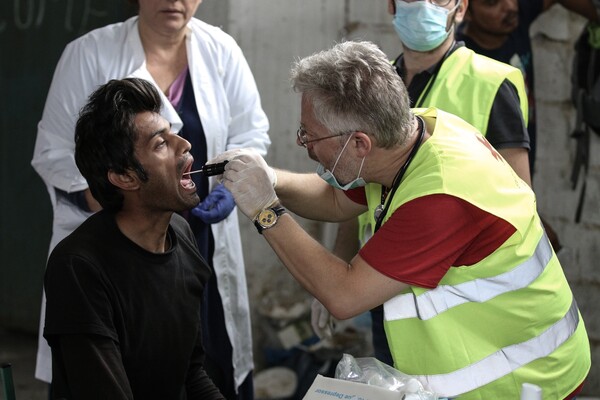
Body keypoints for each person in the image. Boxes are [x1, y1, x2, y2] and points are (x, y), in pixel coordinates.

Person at [211, 41, 591, 399]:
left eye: (309, 136)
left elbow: (344, 295)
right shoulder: (414, 133)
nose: (304, 145)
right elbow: (333, 199)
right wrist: (269, 178)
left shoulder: (441, 196)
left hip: (523, 378)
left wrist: (266, 211)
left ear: (359, 143)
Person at [31, 0, 270, 397]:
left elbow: (250, 135)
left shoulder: (221, 50)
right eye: (161, 142)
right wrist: (125, 205)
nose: (174, 1)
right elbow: (53, 153)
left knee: (202, 356)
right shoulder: (89, 53)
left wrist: (228, 185)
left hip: (190, 236)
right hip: (124, 240)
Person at [317, 0, 531, 367]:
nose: (423, 6)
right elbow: (356, 191)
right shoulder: (373, 83)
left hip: (461, 301)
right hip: (383, 287)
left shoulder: (488, 81)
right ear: (391, 6)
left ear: (460, 9)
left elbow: (519, 202)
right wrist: (338, 269)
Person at [43, 77, 224, 399]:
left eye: (173, 133)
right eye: (160, 143)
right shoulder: (79, 267)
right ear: (124, 177)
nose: (185, 145)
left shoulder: (180, 235)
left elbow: (192, 374)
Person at [457, 0, 599, 175]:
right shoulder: (460, 61)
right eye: (492, 3)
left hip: (524, 162)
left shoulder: (515, 21)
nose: (510, 6)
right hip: (486, 177)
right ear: (465, 11)